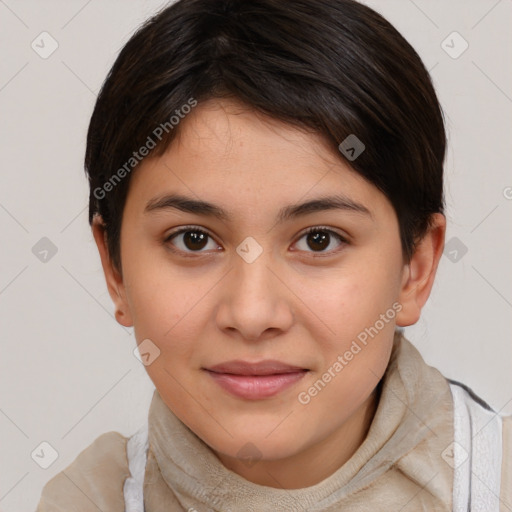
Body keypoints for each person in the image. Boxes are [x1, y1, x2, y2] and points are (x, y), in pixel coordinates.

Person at [37, 0, 511, 510]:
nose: (252, 314)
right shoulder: (89, 499)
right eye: (193, 239)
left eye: (319, 239)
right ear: (115, 270)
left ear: (414, 270)